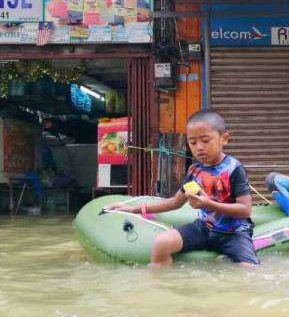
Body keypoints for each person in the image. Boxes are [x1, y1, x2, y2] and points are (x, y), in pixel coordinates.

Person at [106, 110, 257, 266]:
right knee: (161, 243)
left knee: (248, 269)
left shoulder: (234, 169)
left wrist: (208, 204)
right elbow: (175, 202)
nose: (199, 147)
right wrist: (133, 209)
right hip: (204, 228)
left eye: (205, 140)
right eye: (192, 142)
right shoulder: (194, 171)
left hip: (234, 232)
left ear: (224, 139)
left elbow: (245, 210)